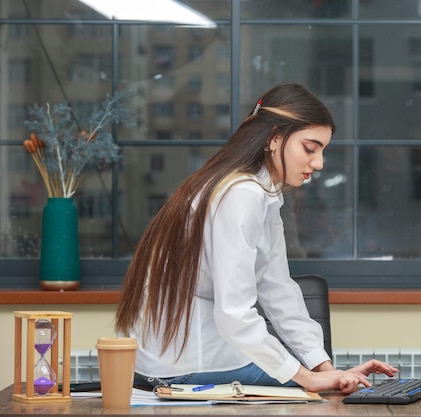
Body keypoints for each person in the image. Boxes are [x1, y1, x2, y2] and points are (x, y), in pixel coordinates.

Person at [114, 82, 398, 394]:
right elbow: (234, 315)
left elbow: (277, 290)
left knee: (312, 382)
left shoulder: (257, 192)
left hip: (177, 362)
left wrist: (328, 371)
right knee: (307, 387)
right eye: (310, 148)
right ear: (275, 138)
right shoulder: (242, 194)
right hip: (185, 368)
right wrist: (312, 379)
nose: (318, 163)